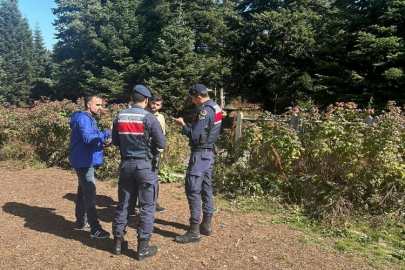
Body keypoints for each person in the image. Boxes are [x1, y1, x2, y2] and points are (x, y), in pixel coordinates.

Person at [111, 85, 167, 260]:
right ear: (146, 100)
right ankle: (142, 249)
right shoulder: (149, 118)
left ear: (132, 98)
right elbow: (162, 143)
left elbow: (115, 141)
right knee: (147, 207)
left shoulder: (119, 116)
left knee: (124, 205)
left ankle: (117, 245)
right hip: (145, 166)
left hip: (126, 164)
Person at [171, 84, 222, 244]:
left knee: (193, 190)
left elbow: (193, 135)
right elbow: (207, 131)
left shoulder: (204, 111)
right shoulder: (216, 107)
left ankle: (194, 232)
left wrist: (183, 126)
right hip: (208, 154)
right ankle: (206, 225)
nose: (193, 102)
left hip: (200, 155)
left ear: (198, 96)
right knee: (206, 188)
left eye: (193, 99)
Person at [69, 95, 111, 239]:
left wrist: (103, 141)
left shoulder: (87, 118)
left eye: (101, 105)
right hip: (83, 161)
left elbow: (90, 137)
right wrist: (108, 132)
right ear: (88, 105)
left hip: (84, 159)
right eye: (97, 105)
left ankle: (80, 222)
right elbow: (88, 138)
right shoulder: (83, 118)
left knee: (83, 191)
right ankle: (95, 228)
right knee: (90, 193)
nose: (100, 108)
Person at [128, 95, 166, 217]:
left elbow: (162, 134)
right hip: (143, 152)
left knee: (153, 179)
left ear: (161, 106)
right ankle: (133, 205)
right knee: (137, 179)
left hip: (155, 152)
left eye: (158, 104)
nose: (155, 106)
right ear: (149, 102)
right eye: (153, 103)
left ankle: (153, 203)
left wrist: (160, 151)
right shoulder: (143, 115)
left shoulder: (160, 117)